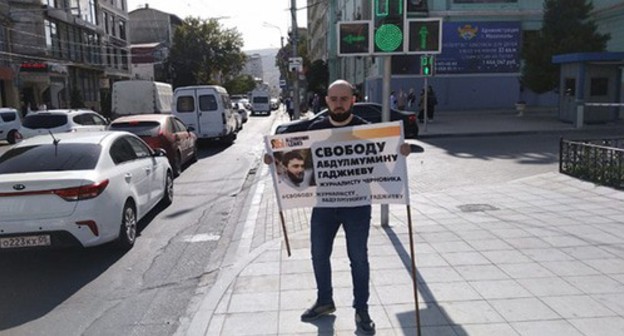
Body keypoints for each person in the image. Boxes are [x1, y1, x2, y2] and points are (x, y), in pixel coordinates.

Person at [264, 79, 411, 335]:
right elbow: (297, 166)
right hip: (324, 205)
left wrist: (401, 152)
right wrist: (273, 160)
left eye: (344, 99)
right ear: (327, 101)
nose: (339, 104)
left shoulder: (367, 131)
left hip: (357, 205)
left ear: (353, 100)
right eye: (334, 99)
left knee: (358, 258)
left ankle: (361, 309)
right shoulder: (315, 130)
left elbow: (385, 165)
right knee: (319, 255)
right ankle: (324, 301)